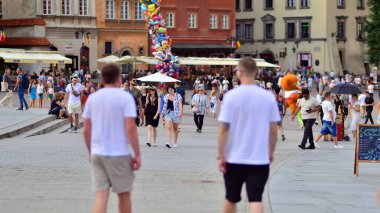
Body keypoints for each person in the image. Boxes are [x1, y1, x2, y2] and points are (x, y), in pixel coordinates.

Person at [217, 57, 279, 213]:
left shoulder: (231, 96)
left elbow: (224, 129)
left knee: (231, 197)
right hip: (258, 158)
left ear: (240, 72)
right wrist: (270, 152)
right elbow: (273, 130)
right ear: (256, 72)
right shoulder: (268, 97)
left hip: (234, 158)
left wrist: (220, 155)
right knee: (255, 199)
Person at [83, 63, 141, 213]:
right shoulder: (125, 97)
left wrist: (90, 151)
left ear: (102, 78)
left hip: (97, 153)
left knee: (101, 195)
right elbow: (130, 127)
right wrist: (137, 154)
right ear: (119, 78)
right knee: (124, 195)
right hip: (119, 153)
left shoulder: (93, 98)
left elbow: (86, 130)